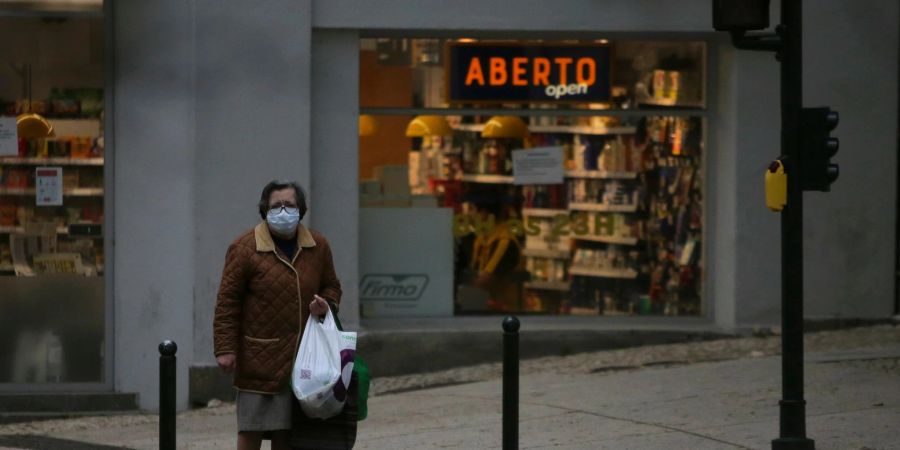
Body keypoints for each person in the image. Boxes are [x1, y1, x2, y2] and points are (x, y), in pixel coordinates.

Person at [213, 180, 342, 450]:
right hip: (259, 356)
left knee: (288, 434)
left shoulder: (317, 245)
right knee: (252, 430)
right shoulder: (245, 248)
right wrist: (225, 348)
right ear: (264, 210)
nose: (283, 211)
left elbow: (331, 285)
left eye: (290, 205)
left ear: (301, 209)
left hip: (302, 357)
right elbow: (227, 302)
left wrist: (326, 304)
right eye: (276, 206)